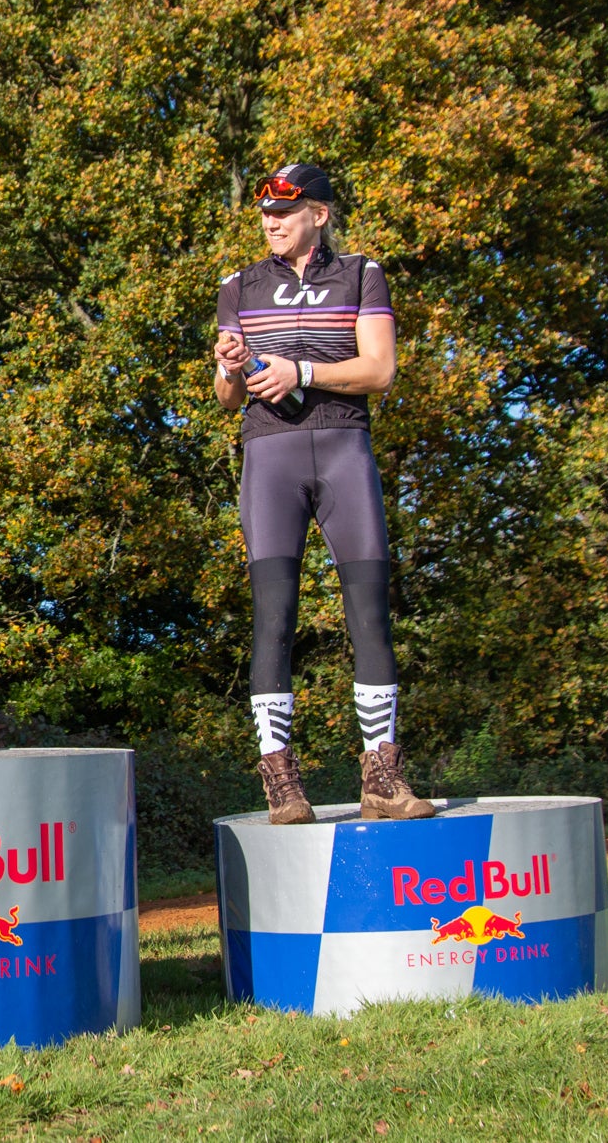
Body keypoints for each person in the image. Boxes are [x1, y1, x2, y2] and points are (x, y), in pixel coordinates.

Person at [213, 163, 434, 824]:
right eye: (265, 213)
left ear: (320, 213)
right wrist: (229, 370)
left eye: (285, 210)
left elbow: (381, 369)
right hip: (269, 455)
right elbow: (226, 399)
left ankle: (382, 777)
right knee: (273, 617)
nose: (271, 222)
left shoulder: (362, 273)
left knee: (369, 609)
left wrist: (301, 369)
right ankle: (281, 782)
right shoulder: (238, 286)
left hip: (343, 446)